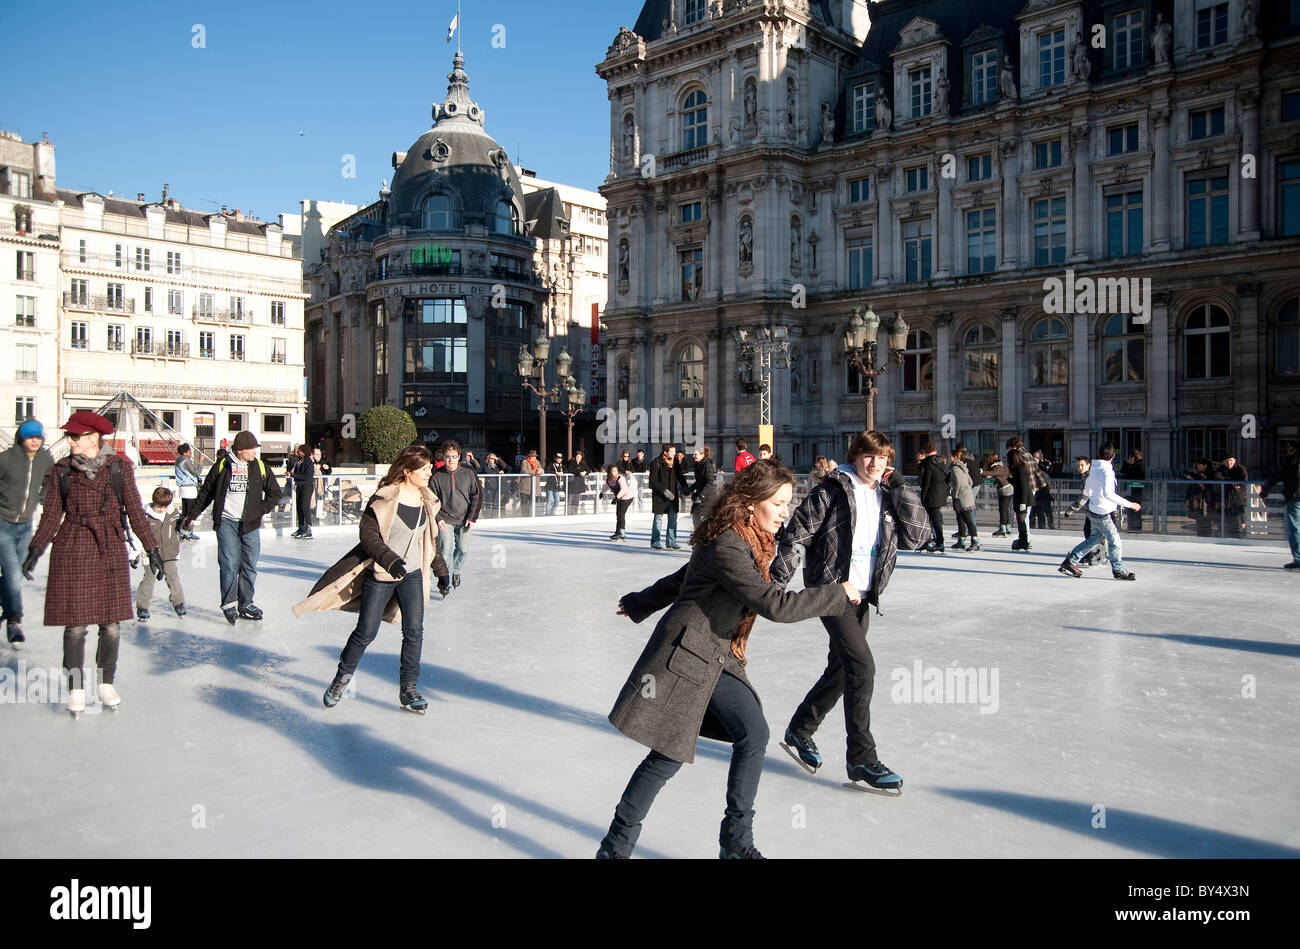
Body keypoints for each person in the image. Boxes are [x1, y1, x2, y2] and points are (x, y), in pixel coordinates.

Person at [597, 460, 861, 859]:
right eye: (779, 503)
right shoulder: (729, 544)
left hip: (718, 654)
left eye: (789, 503)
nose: (785, 512)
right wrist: (835, 593)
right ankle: (616, 849)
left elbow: (680, 579)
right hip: (687, 656)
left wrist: (640, 602)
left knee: (751, 734)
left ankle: (735, 843)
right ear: (753, 502)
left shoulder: (748, 540)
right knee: (666, 756)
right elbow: (775, 604)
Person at [773, 430, 931, 791]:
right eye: (868, 456)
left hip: (863, 594)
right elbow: (796, 536)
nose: (875, 464)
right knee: (862, 667)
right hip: (832, 591)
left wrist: (902, 487)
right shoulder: (831, 490)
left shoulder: (888, 495)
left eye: (882, 457)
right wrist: (773, 588)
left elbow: (919, 536)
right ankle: (861, 757)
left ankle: (800, 730)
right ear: (855, 456)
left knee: (843, 669)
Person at [23, 411, 162, 716]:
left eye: (76, 435)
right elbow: (50, 516)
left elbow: (136, 512)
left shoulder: (119, 468)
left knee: (110, 624)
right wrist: (35, 549)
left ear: (94, 437)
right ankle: (75, 688)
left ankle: (106, 682)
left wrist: (152, 550)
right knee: (75, 626)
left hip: (109, 545)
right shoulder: (62, 470)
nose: (70, 440)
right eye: (70, 435)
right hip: (73, 545)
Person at [295, 444, 445, 714]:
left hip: (411, 575)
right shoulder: (385, 498)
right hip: (382, 574)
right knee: (366, 632)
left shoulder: (428, 501)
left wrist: (441, 570)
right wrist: (390, 560)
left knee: (414, 632)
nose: (429, 472)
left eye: (429, 467)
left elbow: (429, 540)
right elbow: (368, 537)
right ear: (408, 471)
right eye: (424, 469)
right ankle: (341, 679)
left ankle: (408, 689)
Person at [182, 430, 283, 624]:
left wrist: (258, 510)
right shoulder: (222, 466)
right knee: (229, 564)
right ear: (241, 450)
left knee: (249, 565)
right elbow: (206, 493)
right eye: (252, 448)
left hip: (250, 524)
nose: (255, 451)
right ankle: (229, 603)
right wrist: (192, 515)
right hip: (226, 522)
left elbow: (275, 493)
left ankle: (245, 603)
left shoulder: (260, 466)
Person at [0, 419, 54, 644]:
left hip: (25, 526)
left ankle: (6, 602)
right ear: (21, 438)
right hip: (3, 523)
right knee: (12, 573)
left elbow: (50, 482)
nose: (35, 441)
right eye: (30, 437)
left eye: (38, 437)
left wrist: (42, 500)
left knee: (18, 573)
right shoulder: (6, 459)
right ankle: (14, 621)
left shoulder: (45, 459)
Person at [1058, 443, 1141, 580]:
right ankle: (1118, 570)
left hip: (1094, 511)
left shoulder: (1095, 469)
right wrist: (1130, 504)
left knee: (1094, 539)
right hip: (1102, 513)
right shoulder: (1106, 471)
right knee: (1114, 541)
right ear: (1113, 456)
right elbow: (1108, 494)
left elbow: (1088, 490)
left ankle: (1070, 562)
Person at [430, 439, 480, 595]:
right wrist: (438, 518)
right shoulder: (437, 476)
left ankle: (456, 571)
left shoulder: (468, 473)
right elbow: (430, 500)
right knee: (446, 550)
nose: (450, 460)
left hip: (464, 518)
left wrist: (472, 517)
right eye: (447, 456)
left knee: (462, 550)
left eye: (453, 456)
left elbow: (476, 496)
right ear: (443, 457)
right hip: (445, 518)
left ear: (459, 457)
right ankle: (445, 580)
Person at [136, 486, 186, 620]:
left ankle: (178, 603)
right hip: (150, 553)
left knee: (172, 577)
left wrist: (186, 526)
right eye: (159, 507)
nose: (162, 509)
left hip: (170, 552)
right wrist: (135, 552)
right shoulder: (145, 515)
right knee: (149, 578)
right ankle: (142, 607)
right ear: (154, 503)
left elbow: (181, 529)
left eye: (165, 507)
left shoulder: (173, 513)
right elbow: (137, 534)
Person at [1260, 443, 1300, 569]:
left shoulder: (1292, 459)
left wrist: (1264, 490)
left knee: (1295, 528)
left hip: (1295, 496)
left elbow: (1277, 476)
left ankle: (1299, 559)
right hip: (1294, 496)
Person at [649, 443, 689, 550]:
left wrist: (685, 487)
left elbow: (680, 475)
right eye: (672, 452)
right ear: (665, 452)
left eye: (675, 452)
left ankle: (671, 541)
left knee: (673, 518)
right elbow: (652, 482)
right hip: (660, 496)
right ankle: (655, 542)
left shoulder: (675, 462)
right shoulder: (656, 462)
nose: (675, 454)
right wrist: (664, 491)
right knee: (658, 519)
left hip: (673, 495)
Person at [947, 446, 981, 551]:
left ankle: (975, 540)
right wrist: (967, 489)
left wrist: (955, 494)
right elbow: (970, 481)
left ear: (954, 457)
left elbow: (958, 481)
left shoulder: (955, 467)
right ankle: (961, 540)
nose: (949, 458)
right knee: (961, 518)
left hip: (961, 496)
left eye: (950, 457)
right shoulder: (963, 466)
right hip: (967, 494)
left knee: (966, 518)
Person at [917, 442, 948, 554]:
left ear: (925, 451)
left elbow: (925, 481)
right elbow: (945, 477)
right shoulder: (941, 461)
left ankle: (939, 542)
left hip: (930, 495)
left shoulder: (926, 463)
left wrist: (923, 496)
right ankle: (936, 541)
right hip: (940, 494)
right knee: (935, 520)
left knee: (929, 521)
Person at [1006, 437, 1037, 551]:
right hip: (1021, 497)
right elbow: (1019, 483)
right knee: (1020, 520)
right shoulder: (1018, 468)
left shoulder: (1021, 469)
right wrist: (1010, 480)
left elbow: (1024, 486)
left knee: (1022, 520)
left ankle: (1024, 541)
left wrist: (1023, 502)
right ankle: (1023, 540)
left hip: (1023, 498)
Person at [173, 443, 202, 540]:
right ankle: (186, 531)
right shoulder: (186, 461)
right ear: (185, 453)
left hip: (182, 488)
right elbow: (196, 471)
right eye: (189, 452)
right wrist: (200, 462)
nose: (191, 454)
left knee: (185, 511)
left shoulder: (178, 461)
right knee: (191, 512)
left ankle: (181, 530)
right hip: (189, 488)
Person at [601, 464, 635, 541]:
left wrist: (616, 498)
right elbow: (606, 486)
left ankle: (622, 533)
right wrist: (601, 493)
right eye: (613, 471)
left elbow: (623, 490)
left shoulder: (620, 478)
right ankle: (617, 532)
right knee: (618, 514)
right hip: (620, 498)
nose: (616, 473)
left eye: (616, 471)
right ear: (609, 472)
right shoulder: (609, 480)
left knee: (621, 514)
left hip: (627, 497)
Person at [690, 446, 719, 529]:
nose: (693, 456)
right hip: (700, 495)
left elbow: (710, 482)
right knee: (696, 516)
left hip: (708, 497)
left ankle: (704, 537)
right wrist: (690, 489)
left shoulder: (708, 465)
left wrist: (702, 495)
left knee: (704, 519)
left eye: (695, 454)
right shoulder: (697, 464)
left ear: (702, 455)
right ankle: (698, 535)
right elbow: (699, 481)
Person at [290, 444, 315, 539]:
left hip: (307, 486)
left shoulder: (308, 461)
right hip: (300, 486)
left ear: (304, 451)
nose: (297, 452)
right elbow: (295, 471)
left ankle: (308, 528)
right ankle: (301, 527)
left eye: (299, 451)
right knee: (299, 507)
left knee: (305, 506)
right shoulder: (299, 461)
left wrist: (293, 475)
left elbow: (307, 476)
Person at [986, 453, 1014, 537]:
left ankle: (1003, 529)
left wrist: (983, 472)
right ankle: (1007, 528)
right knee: (1005, 509)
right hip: (1008, 487)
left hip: (1005, 489)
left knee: (1003, 509)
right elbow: (999, 474)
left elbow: (994, 472)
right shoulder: (1002, 466)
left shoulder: (996, 467)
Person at [1118, 449, 1145, 532]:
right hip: (1135, 491)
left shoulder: (1137, 466)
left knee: (1134, 510)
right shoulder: (1138, 465)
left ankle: (1134, 527)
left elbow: (1125, 472)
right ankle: (1133, 526)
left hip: (1136, 492)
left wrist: (1126, 463)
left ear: (1133, 458)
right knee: (1133, 509)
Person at [1222, 456, 1248, 537]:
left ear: (1235, 460)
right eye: (1227, 461)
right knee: (1228, 520)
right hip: (1227, 498)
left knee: (1239, 518)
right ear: (1223, 462)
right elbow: (1218, 477)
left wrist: (1236, 483)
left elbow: (1244, 479)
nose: (1229, 463)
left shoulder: (1240, 468)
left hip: (1238, 498)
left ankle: (1240, 536)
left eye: (1231, 460)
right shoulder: (1222, 469)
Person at [1030, 450, 1055, 530]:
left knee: (1048, 511)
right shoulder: (1031, 466)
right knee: (1035, 512)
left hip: (1045, 492)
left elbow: (1048, 469)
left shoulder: (1045, 464)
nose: (1035, 459)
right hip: (1035, 492)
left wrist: (1039, 463)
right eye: (1033, 457)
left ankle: (1051, 526)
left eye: (1037, 457)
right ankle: (1034, 527)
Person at [567, 449, 592, 515]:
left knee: (576, 501)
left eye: (579, 457)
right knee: (570, 501)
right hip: (572, 485)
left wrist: (585, 472)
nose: (578, 458)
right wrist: (579, 472)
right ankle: (568, 514)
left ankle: (575, 514)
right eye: (577, 457)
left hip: (579, 485)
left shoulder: (583, 464)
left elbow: (589, 470)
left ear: (581, 457)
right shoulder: (571, 463)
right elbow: (571, 470)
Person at [312, 446, 333, 521]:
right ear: (313, 454)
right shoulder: (310, 462)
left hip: (321, 486)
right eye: (317, 454)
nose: (318, 456)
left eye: (319, 454)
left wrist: (327, 468)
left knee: (320, 501)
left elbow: (329, 471)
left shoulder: (324, 462)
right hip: (311, 486)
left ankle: (318, 517)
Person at [518, 449, 542, 513]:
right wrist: (535, 472)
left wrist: (540, 471)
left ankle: (531, 514)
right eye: (532, 456)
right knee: (524, 503)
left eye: (534, 456)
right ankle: (524, 515)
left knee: (532, 502)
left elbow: (542, 469)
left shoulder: (537, 462)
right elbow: (524, 470)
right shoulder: (525, 462)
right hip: (525, 487)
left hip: (534, 487)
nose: (533, 457)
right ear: (529, 456)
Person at [545, 452, 567, 516]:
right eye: (558, 458)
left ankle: (552, 512)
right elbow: (547, 470)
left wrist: (562, 472)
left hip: (557, 486)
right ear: (555, 459)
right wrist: (556, 472)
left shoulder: (561, 466)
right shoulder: (551, 464)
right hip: (550, 485)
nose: (559, 459)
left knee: (557, 501)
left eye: (560, 458)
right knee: (549, 500)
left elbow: (567, 470)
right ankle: (548, 514)